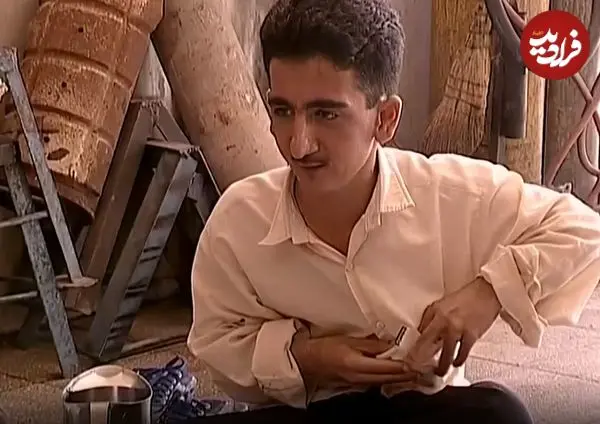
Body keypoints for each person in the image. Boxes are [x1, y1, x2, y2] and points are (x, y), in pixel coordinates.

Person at [187, 0, 600, 423]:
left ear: (384, 119)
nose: (298, 144)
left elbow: (586, 232)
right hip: (304, 409)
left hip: (425, 409)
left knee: (499, 413)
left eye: (325, 114)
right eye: (282, 111)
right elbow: (216, 344)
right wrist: (308, 357)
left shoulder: (449, 194)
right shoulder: (240, 220)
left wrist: (489, 292)